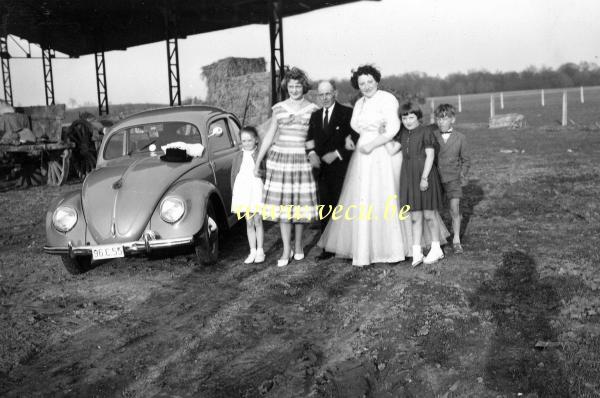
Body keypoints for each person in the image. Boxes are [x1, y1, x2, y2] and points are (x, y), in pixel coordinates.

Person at [318, 65, 411, 266]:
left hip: (382, 152)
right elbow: (355, 126)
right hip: (363, 155)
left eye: (370, 81)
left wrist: (372, 144)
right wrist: (355, 141)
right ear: (357, 86)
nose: (367, 86)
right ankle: (364, 249)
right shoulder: (359, 103)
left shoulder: (387, 99)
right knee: (364, 198)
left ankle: (392, 248)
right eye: (362, 83)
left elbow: (393, 127)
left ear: (377, 81)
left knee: (384, 195)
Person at [254, 67, 320, 267]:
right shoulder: (279, 108)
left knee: (298, 206)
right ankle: (285, 249)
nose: (294, 89)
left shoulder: (312, 109)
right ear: (286, 87)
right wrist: (258, 162)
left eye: (298, 86)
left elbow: (315, 139)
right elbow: (268, 137)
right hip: (280, 161)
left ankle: (298, 246)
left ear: (304, 87)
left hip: (301, 161)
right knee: (284, 207)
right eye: (290, 86)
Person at [306, 80, 358, 261]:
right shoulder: (315, 116)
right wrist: (311, 153)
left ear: (335, 93)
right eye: (321, 95)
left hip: (341, 168)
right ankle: (328, 247)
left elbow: (355, 139)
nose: (325, 98)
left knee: (343, 207)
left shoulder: (347, 113)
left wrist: (336, 154)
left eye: (328, 93)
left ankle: (346, 247)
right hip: (321, 170)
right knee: (325, 208)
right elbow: (309, 138)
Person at [397, 101, 445, 266]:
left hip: (424, 174)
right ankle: (416, 251)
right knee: (415, 216)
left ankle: (436, 248)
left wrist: (424, 178)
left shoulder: (425, 132)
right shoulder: (403, 134)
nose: (408, 121)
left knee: (429, 215)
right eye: (404, 118)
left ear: (418, 117)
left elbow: (430, 156)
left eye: (411, 117)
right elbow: (392, 150)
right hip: (409, 175)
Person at [433, 104, 470, 254]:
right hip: (436, 179)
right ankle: (435, 240)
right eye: (438, 119)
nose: (441, 122)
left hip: (453, 179)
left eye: (445, 118)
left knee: (454, 209)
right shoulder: (433, 136)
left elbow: (466, 160)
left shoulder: (461, 138)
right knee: (434, 210)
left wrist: (461, 175)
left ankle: (456, 240)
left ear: (452, 119)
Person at [231, 126, 266, 264]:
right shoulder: (238, 156)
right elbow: (234, 175)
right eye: (243, 141)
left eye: (249, 140)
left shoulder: (260, 154)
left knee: (258, 220)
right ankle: (252, 250)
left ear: (256, 140)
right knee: (249, 221)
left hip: (256, 189)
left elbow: (266, 171)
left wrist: (260, 173)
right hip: (244, 192)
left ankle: (260, 250)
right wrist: (235, 191)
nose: (246, 143)